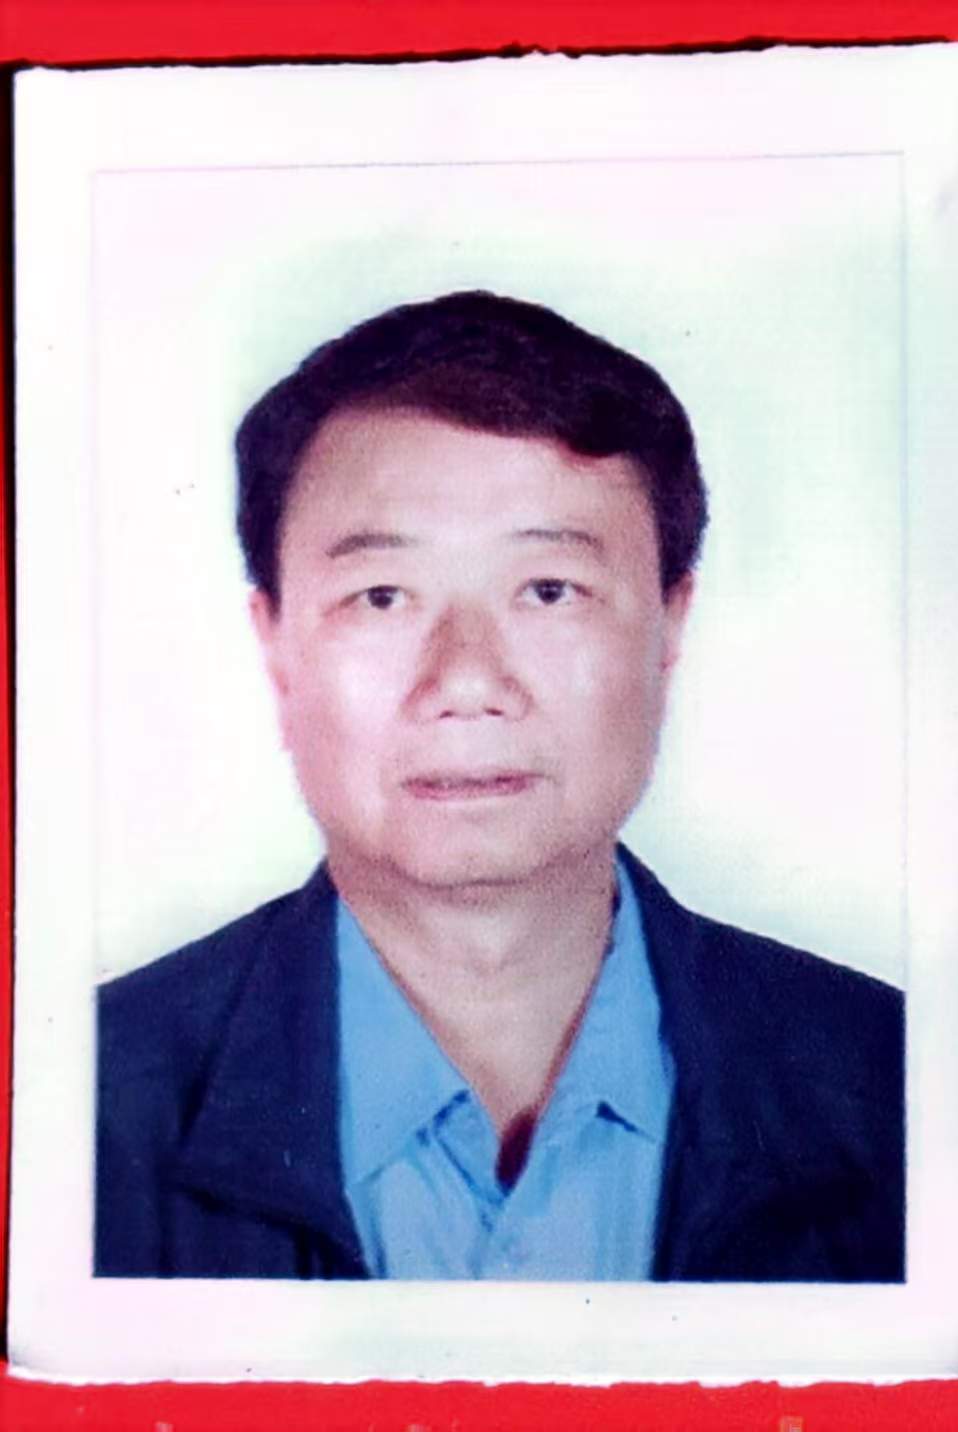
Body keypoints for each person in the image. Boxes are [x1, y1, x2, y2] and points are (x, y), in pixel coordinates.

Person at [95, 290, 904, 1281]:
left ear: (669, 626)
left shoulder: (906, 1088)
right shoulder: (78, 1114)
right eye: (382, 596)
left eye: (548, 591)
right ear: (276, 645)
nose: (467, 681)